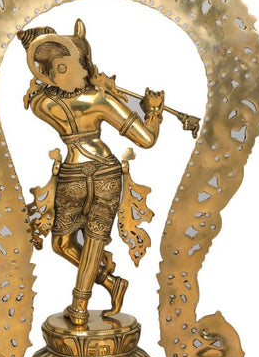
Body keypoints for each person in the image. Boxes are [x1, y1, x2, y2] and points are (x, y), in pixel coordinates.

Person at [18, 19, 164, 326]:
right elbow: (146, 138)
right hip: (90, 172)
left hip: (93, 175)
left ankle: (79, 308)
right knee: (63, 244)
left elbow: (44, 90)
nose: (84, 71)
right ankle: (110, 282)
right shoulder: (99, 100)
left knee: (91, 241)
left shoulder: (43, 103)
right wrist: (153, 111)